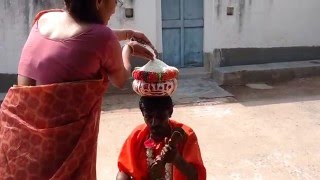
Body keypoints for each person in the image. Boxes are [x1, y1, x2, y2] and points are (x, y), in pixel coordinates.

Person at [0, 0, 156, 179]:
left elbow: (81, 36)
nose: (115, 8)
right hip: (60, 155)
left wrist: (126, 34)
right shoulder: (102, 38)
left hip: (18, 147)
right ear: (98, 2)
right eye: (115, 1)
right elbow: (120, 79)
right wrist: (127, 49)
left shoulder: (43, 19)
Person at [116, 96, 206, 180]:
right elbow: (123, 171)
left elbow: (197, 176)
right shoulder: (138, 135)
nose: (154, 123)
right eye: (149, 117)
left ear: (170, 112)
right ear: (143, 114)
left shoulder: (185, 134)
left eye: (160, 117)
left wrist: (177, 159)